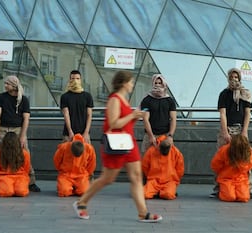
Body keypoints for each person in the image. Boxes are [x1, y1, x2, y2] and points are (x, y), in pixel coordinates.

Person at [72, 70, 163, 223]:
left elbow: (125, 122)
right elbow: (114, 123)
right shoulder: (114, 99)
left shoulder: (124, 99)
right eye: (131, 82)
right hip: (116, 143)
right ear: (123, 83)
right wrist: (133, 115)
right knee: (107, 178)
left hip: (129, 141)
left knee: (136, 177)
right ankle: (81, 203)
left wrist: (138, 116)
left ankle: (143, 212)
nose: (132, 85)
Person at [0, 75, 41, 193]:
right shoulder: (1, 98)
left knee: (25, 154)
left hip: (18, 130)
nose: (5, 85)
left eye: (7, 83)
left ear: (14, 85)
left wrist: (22, 135)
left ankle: (31, 182)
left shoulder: (23, 100)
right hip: (2, 129)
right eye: (5, 83)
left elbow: (26, 118)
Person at [209, 68, 252, 200]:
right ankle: (218, 188)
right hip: (227, 129)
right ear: (228, 78)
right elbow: (222, 114)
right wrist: (225, 132)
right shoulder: (224, 94)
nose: (234, 79)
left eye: (236, 77)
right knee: (221, 158)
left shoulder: (246, 94)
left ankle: (249, 188)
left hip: (241, 130)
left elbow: (248, 113)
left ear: (240, 78)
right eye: (232, 77)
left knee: (245, 157)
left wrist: (244, 131)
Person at [210, 134, 252, 202]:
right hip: (226, 178)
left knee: (244, 198)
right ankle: (222, 190)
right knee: (229, 197)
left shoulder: (249, 151)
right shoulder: (225, 150)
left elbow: (250, 164)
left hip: (241, 179)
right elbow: (215, 164)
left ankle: (226, 190)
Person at [140, 74, 176, 155]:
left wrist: (170, 136)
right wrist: (151, 136)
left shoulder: (169, 100)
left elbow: (173, 119)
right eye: (156, 83)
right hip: (150, 135)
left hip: (165, 135)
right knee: (147, 160)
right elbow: (145, 119)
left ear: (164, 84)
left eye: (160, 83)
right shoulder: (147, 100)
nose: (158, 85)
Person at [142, 135, 184, 200]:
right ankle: (160, 192)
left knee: (168, 195)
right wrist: (150, 176)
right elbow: (145, 166)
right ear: (159, 147)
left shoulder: (175, 152)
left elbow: (180, 168)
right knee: (144, 194)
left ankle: (161, 192)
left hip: (169, 181)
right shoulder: (151, 151)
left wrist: (175, 180)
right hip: (154, 180)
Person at [0, 132, 31, 197]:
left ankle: (13, 188)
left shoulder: (24, 153)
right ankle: (7, 187)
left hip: (20, 176)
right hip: (3, 177)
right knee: (7, 192)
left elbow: (26, 169)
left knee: (21, 192)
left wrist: (24, 177)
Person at [60, 70, 94, 143]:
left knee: (86, 154)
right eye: (73, 78)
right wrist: (70, 132)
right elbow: (66, 115)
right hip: (68, 134)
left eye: (77, 78)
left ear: (81, 80)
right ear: (70, 80)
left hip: (83, 133)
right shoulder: (65, 97)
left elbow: (89, 115)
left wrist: (86, 132)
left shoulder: (87, 96)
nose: (75, 81)